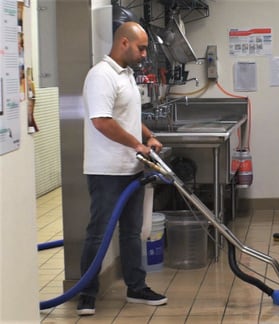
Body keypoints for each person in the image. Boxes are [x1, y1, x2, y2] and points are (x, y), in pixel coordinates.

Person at [77, 21, 167, 316]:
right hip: (106, 170)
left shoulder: (127, 75)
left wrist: (147, 136)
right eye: (141, 48)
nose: (144, 54)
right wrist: (135, 145)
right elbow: (102, 121)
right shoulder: (101, 75)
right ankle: (86, 293)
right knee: (98, 232)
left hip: (131, 170)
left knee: (132, 232)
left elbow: (127, 116)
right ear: (123, 43)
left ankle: (136, 287)